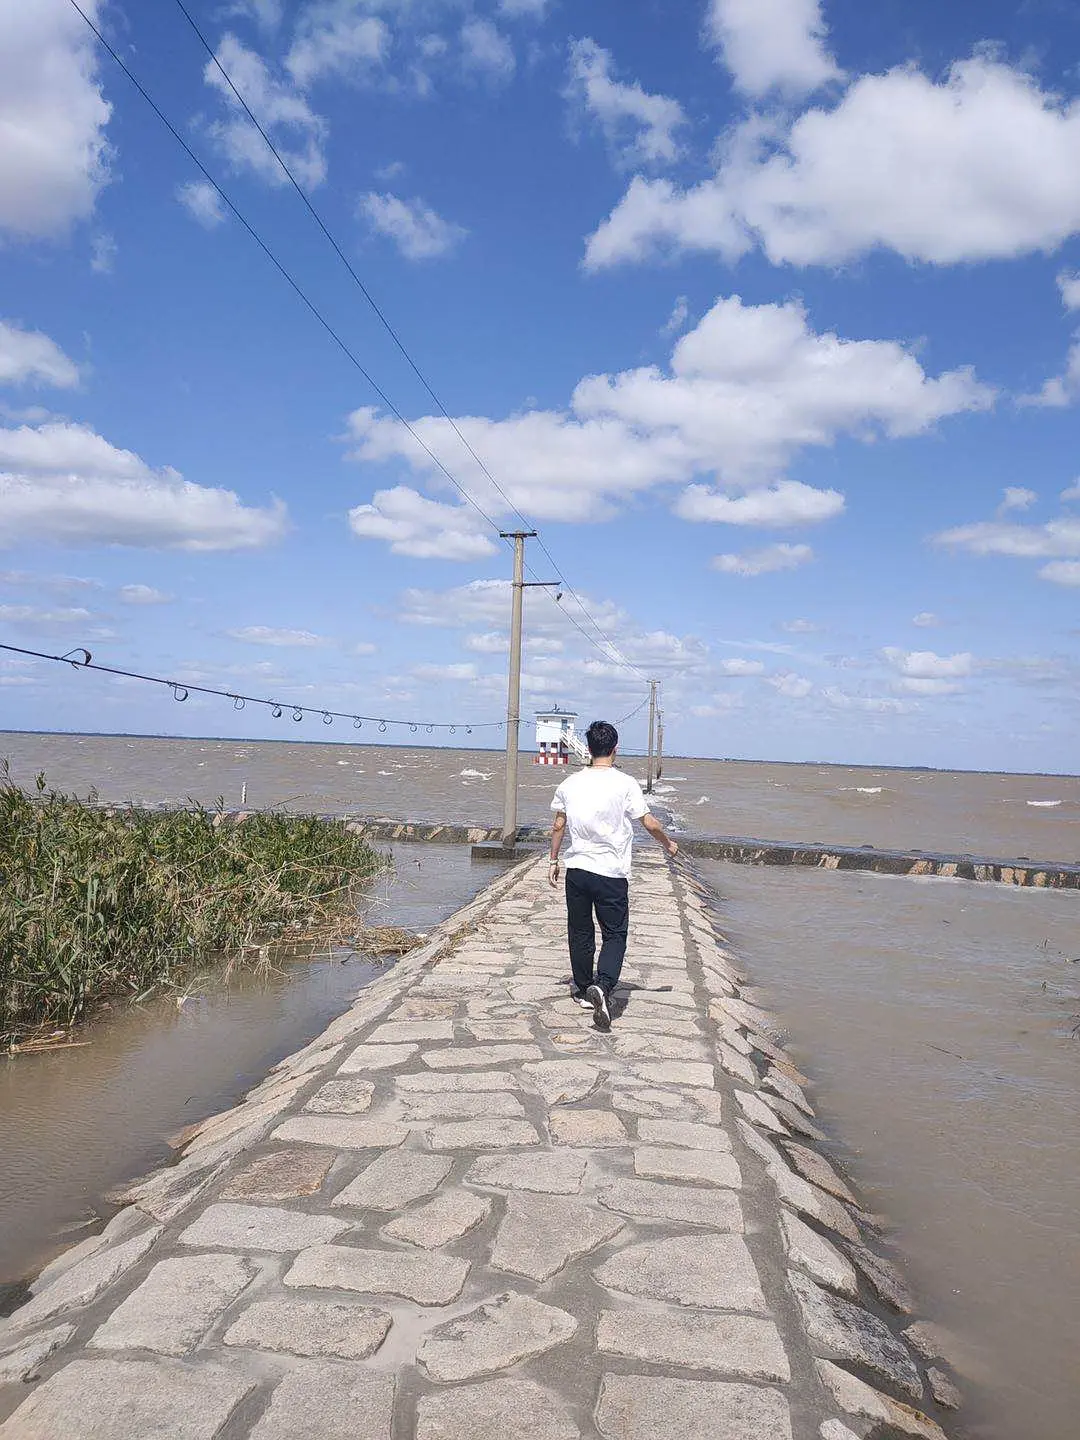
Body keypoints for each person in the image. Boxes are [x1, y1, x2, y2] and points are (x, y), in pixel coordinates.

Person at [548, 719, 678, 1031]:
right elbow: (648, 822)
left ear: (588, 749)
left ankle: (582, 989)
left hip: (577, 870)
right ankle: (603, 987)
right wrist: (668, 842)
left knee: (579, 932)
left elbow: (558, 825)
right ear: (615, 749)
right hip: (611, 873)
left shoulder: (569, 784)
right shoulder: (625, 783)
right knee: (614, 934)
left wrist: (553, 860)